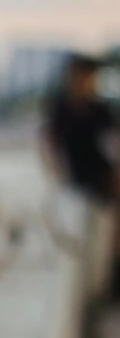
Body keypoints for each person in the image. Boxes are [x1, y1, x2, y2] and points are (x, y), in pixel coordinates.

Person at [41, 53, 120, 294]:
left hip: (102, 182)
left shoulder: (101, 108)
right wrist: (57, 176)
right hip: (76, 183)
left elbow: (113, 146)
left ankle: (110, 285)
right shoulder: (62, 107)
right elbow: (49, 143)